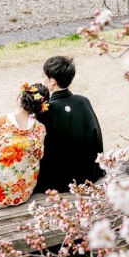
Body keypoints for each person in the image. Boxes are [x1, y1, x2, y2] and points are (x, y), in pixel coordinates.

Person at [34, 56, 104, 193]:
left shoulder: (46, 108)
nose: (43, 79)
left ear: (52, 81)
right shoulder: (83, 101)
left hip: (56, 181)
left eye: (44, 76)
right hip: (87, 176)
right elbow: (97, 137)